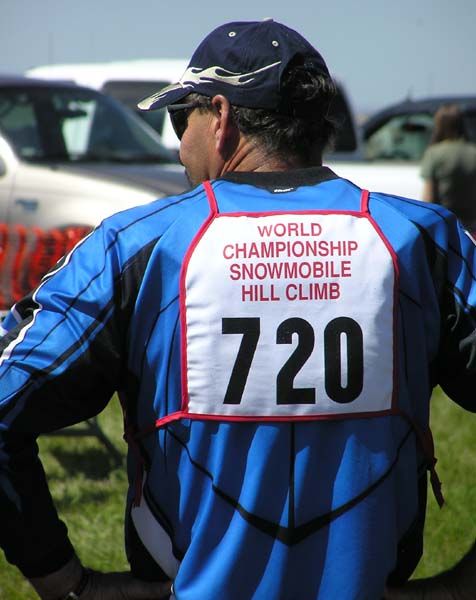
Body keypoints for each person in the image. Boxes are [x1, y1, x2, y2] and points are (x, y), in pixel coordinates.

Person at [0, 18, 475, 600]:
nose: (178, 146)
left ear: (220, 118)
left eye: (181, 119)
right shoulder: (426, 239)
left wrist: (65, 582)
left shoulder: (135, 247)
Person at [421, 103, 476, 231]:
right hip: (471, 224)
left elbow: (428, 198)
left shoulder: (434, 153)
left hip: (445, 224)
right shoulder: (473, 152)